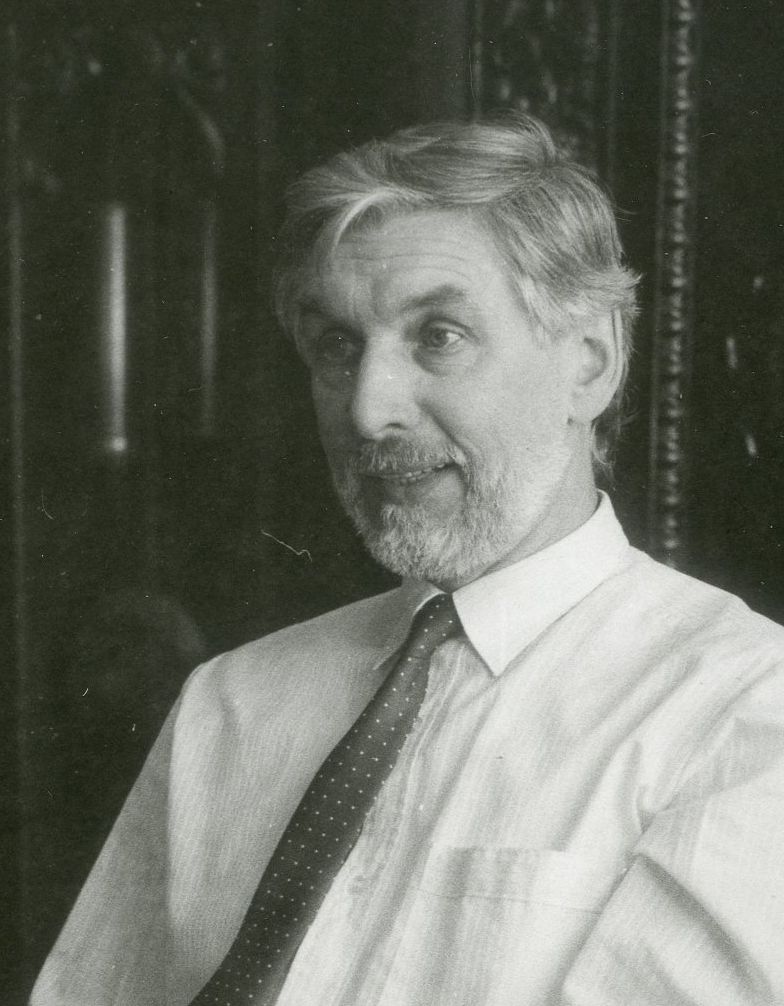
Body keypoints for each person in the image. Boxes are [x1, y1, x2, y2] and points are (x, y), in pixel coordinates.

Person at [32, 115, 784, 1005]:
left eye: (440, 336)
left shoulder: (742, 717)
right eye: (336, 346)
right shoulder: (230, 703)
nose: (367, 409)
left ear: (590, 365)